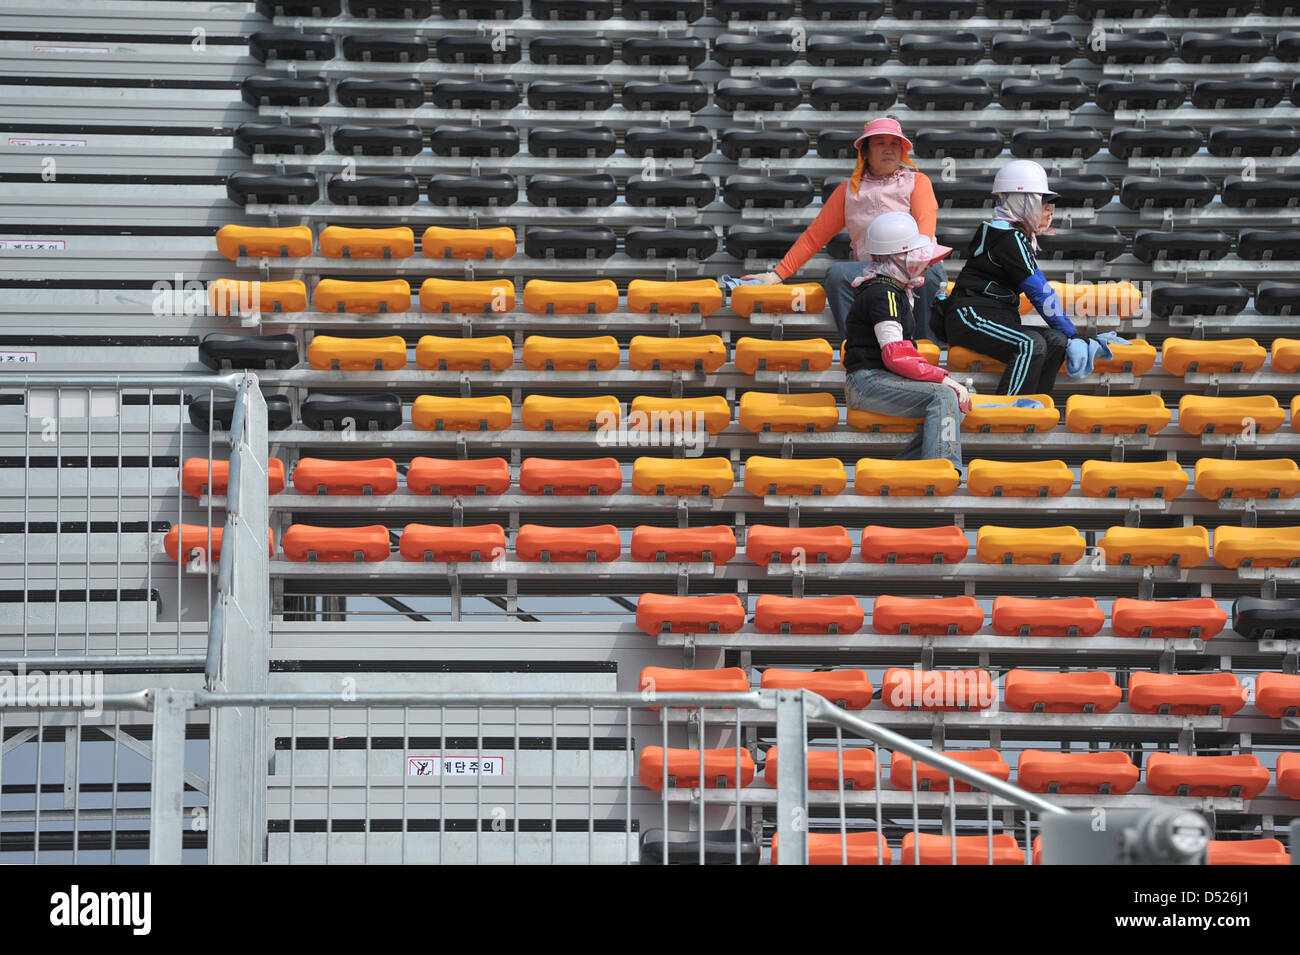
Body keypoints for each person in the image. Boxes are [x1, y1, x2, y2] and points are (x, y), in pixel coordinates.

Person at [741, 117, 943, 338]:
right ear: (864, 152)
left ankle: (926, 352)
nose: (889, 150)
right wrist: (777, 275)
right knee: (837, 275)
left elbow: (926, 227)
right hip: (874, 272)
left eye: (895, 143)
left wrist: (911, 265)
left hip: (917, 265)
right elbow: (813, 238)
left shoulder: (918, 181)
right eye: (880, 143)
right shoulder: (847, 192)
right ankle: (860, 352)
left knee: (930, 273)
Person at [843, 211, 970, 473]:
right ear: (898, 257)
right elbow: (895, 355)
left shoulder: (896, 290)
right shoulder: (883, 293)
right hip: (868, 382)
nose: (925, 264)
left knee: (953, 402)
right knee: (945, 395)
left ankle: (901, 470)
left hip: (878, 379)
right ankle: (942, 468)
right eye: (916, 256)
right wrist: (943, 378)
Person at [937, 159, 1075, 397]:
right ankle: (1008, 412)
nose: (1049, 209)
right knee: (1031, 344)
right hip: (971, 315)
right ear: (1023, 201)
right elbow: (1040, 291)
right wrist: (1074, 333)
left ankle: (1034, 406)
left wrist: (1067, 335)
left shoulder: (1014, 235)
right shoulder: (1008, 236)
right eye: (1042, 201)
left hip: (998, 316)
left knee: (1057, 341)